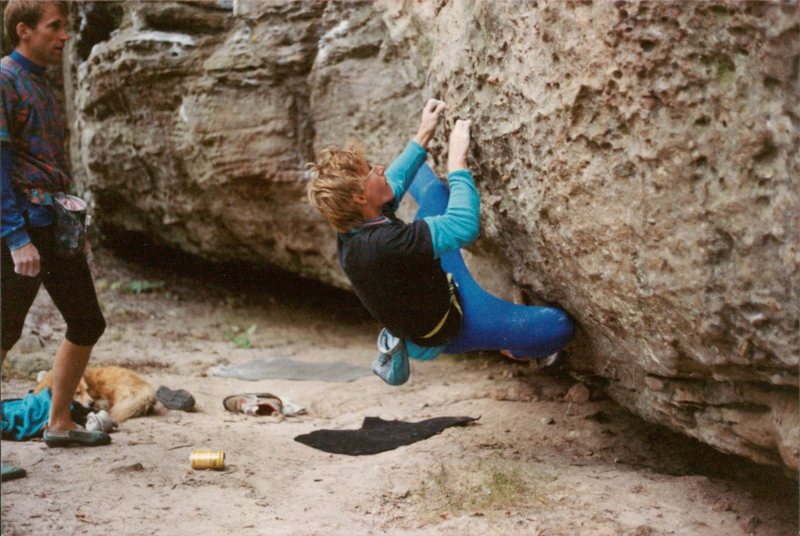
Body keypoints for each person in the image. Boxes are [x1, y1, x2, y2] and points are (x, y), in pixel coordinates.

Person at [308, 99, 480, 384]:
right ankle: (515, 348)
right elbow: (464, 227)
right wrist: (457, 164)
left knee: (424, 182)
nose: (379, 168)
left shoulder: (354, 225)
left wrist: (424, 133)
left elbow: (396, 182)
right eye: (371, 171)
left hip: (416, 307)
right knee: (554, 328)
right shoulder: (386, 243)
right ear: (360, 197)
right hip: (443, 326)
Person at [1, 0, 110, 447]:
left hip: (54, 224)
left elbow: (51, 163)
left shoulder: (42, 83)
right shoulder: (4, 80)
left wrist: (73, 230)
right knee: (2, 332)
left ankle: (59, 422)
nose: (65, 36)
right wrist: (14, 238)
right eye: (56, 26)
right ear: (24, 30)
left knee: (87, 321)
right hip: (22, 226)